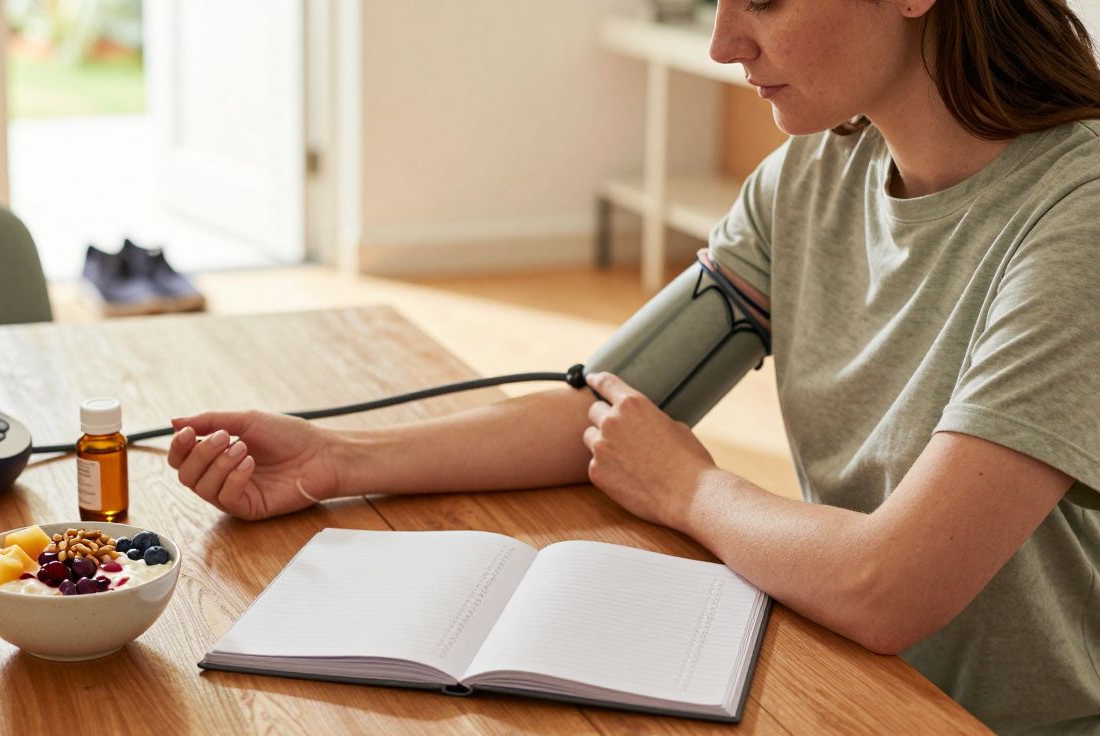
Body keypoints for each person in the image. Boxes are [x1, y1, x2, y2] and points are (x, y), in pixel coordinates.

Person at [167, 1, 1100, 732]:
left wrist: (692, 491)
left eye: (765, 2)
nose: (723, 43)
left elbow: (887, 588)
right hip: (845, 670)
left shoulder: (1078, 216)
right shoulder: (809, 177)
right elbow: (607, 407)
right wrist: (336, 460)